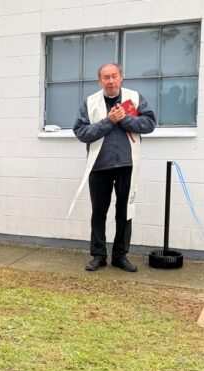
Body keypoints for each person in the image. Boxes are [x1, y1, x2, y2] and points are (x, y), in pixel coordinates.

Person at [72, 63, 156, 272]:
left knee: (124, 212)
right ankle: (98, 255)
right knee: (98, 212)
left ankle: (120, 256)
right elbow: (81, 132)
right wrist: (108, 122)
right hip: (99, 166)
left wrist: (125, 119)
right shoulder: (91, 102)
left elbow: (149, 124)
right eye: (106, 78)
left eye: (114, 76)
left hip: (127, 165)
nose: (110, 81)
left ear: (121, 78)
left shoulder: (134, 98)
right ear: (100, 81)